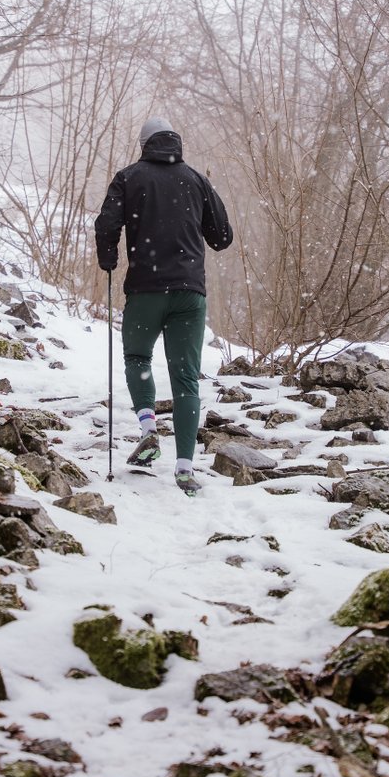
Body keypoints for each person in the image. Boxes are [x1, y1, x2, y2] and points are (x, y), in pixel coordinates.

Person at [94, 116, 234, 494]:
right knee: (186, 378)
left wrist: (108, 257)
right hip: (190, 293)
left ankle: (148, 428)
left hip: (145, 290)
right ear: (176, 143)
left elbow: (106, 224)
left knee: (137, 358)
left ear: (144, 145)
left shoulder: (129, 177)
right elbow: (222, 237)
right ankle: (185, 468)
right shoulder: (196, 180)